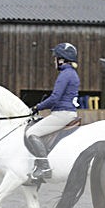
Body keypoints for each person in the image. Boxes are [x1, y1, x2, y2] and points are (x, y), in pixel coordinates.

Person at [25, 42, 80, 181]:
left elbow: (55, 98)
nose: (53, 60)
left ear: (61, 59)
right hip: (66, 112)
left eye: (55, 57)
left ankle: (44, 167)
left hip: (62, 114)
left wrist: (37, 107)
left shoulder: (65, 74)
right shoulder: (71, 73)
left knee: (31, 132)